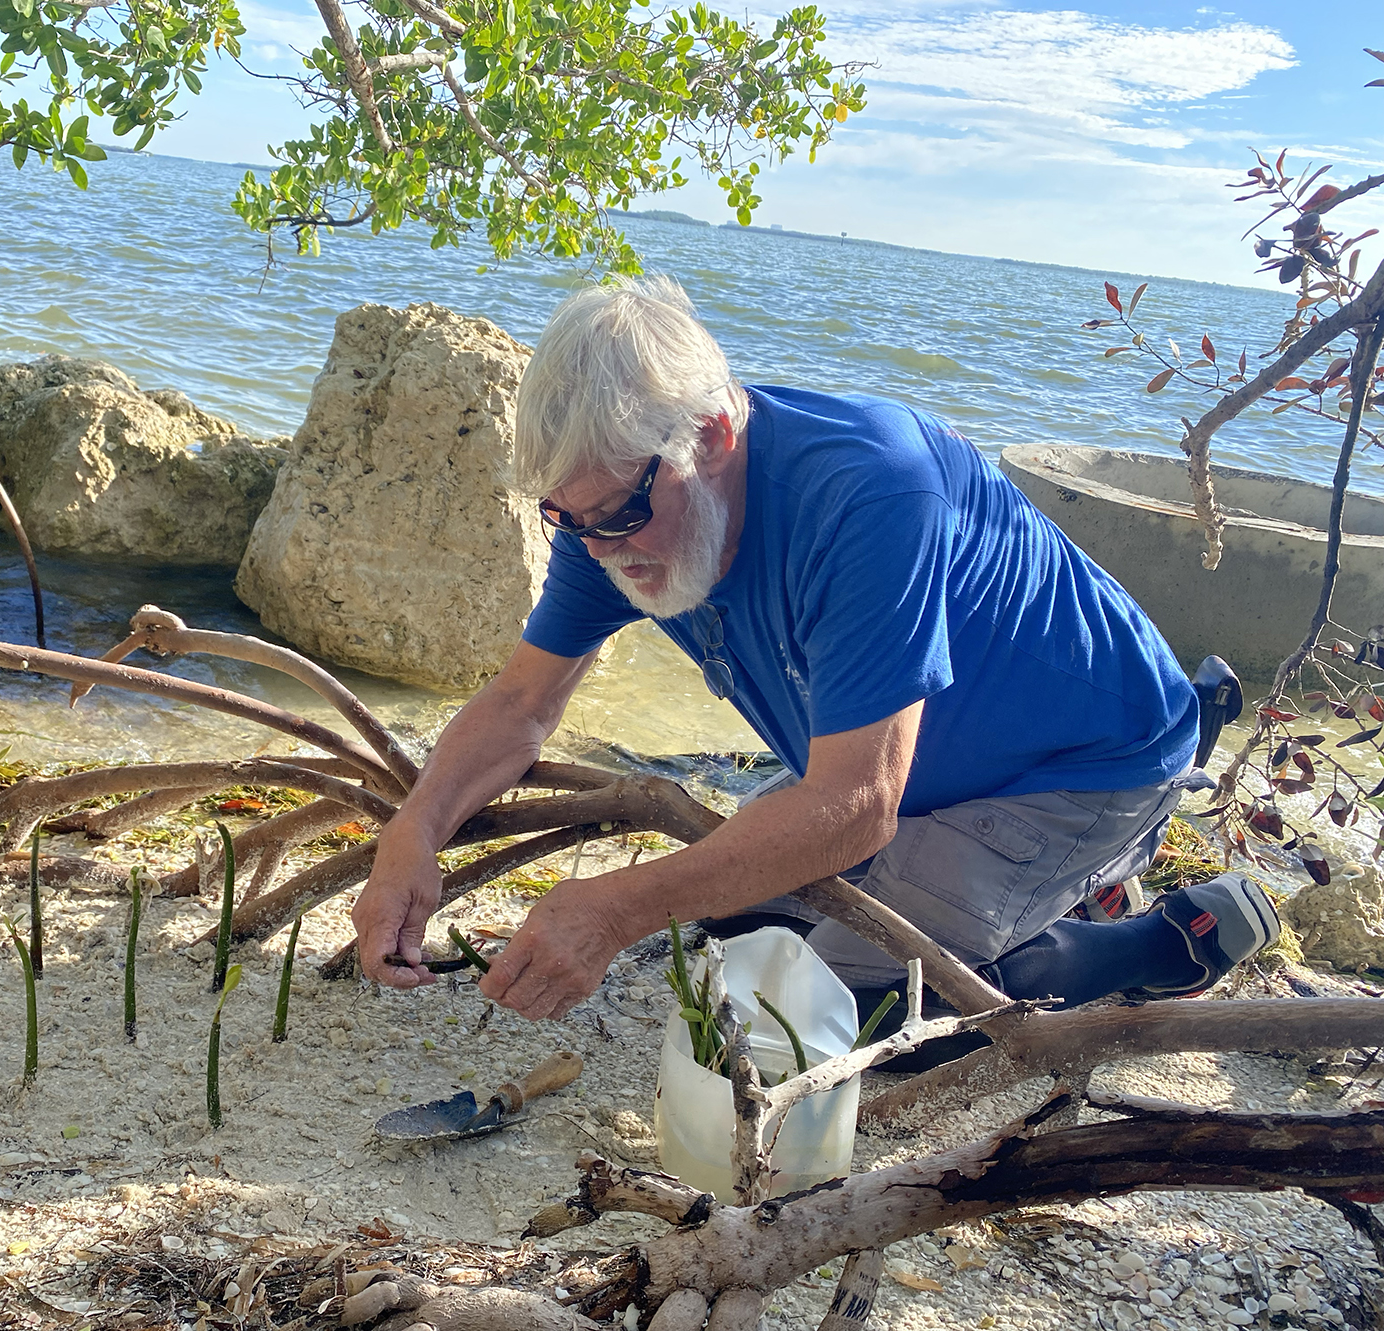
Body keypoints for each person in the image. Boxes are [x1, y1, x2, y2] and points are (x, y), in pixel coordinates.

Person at [350, 276, 1279, 1026]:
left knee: (845, 1027)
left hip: (1084, 766)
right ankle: (1039, 897)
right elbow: (520, 705)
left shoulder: (872, 490)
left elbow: (854, 805)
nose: (603, 548)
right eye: (568, 519)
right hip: (899, 774)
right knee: (729, 924)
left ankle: (1158, 945)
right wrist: (416, 829)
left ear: (713, 435)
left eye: (623, 515)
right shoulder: (612, 509)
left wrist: (616, 908)